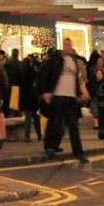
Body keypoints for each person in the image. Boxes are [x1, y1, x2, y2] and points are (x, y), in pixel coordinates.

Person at [38, 36, 92, 166]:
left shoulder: (75, 62)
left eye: (69, 44)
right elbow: (45, 75)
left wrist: (82, 92)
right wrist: (47, 92)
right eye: (66, 44)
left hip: (70, 97)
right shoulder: (55, 60)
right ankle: (50, 147)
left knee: (73, 126)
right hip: (58, 96)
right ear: (62, 46)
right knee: (56, 123)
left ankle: (78, 153)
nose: (68, 47)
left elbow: (78, 79)